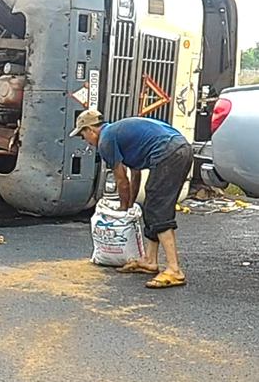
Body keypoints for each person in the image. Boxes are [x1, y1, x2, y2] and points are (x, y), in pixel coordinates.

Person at [70, 109, 193, 289]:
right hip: (181, 149)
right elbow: (134, 176)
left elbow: (122, 181)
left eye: (83, 135)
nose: (86, 141)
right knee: (151, 203)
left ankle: (174, 269)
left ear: (90, 130)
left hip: (169, 153)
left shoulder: (106, 140)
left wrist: (123, 209)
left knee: (157, 209)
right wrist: (130, 205)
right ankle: (150, 260)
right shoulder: (118, 133)